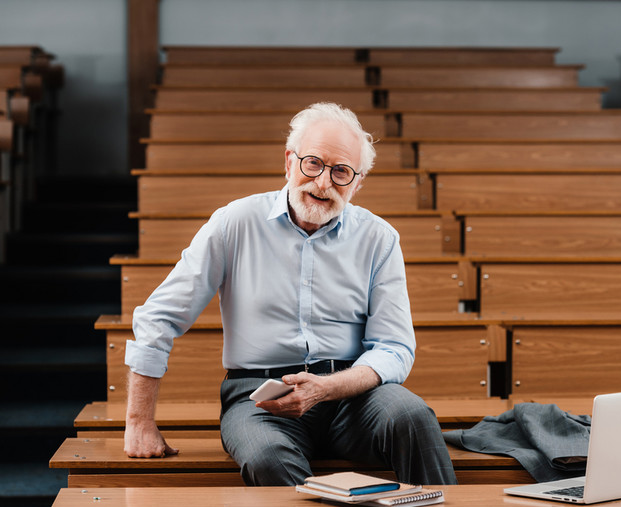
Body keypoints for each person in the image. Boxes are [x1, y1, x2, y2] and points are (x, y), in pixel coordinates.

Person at [122, 102, 458, 487]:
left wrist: (326, 388)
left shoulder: (379, 238)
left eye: (341, 172)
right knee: (267, 457)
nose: (322, 183)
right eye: (312, 163)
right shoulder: (234, 222)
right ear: (289, 162)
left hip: (352, 396)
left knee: (413, 417)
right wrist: (139, 422)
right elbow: (159, 317)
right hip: (259, 399)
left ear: (358, 183)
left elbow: (394, 348)